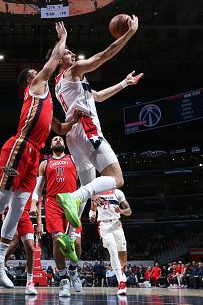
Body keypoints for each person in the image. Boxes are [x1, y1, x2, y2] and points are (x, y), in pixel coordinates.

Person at [0, 22, 79, 288]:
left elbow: (58, 127)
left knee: (18, 209)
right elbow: (54, 59)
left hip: (35, 153)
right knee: (0, 203)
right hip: (19, 147)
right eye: (38, 72)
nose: (42, 72)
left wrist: (75, 120)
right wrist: (64, 37)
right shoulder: (36, 85)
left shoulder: (48, 98)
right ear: (29, 79)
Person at [52, 15, 141, 248]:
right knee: (117, 179)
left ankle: (69, 236)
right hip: (87, 130)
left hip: (73, 136)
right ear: (61, 60)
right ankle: (73, 198)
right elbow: (104, 55)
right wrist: (129, 33)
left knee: (87, 186)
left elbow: (98, 96)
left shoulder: (62, 83)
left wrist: (124, 83)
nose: (73, 55)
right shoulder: (74, 71)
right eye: (68, 52)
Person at [31, 136, 83, 297]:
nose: (58, 140)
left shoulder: (74, 158)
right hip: (53, 203)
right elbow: (38, 188)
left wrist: (90, 196)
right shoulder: (45, 164)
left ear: (65, 144)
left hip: (72, 201)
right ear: (50, 145)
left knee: (76, 241)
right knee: (57, 240)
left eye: (60, 139)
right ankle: (64, 279)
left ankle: (73, 269)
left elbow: (85, 180)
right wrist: (34, 202)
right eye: (55, 139)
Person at [0, 196, 42, 295]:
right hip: (11, 212)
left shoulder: (38, 183)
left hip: (25, 216)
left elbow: (38, 204)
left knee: (31, 248)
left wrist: (39, 223)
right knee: (13, 243)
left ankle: (29, 283)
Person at [89, 189, 131, 296]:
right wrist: (92, 216)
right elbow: (92, 211)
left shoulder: (118, 192)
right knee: (112, 250)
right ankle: (121, 283)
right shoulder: (96, 193)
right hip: (103, 225)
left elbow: (129, 211)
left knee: (123, 258)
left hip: (117, 225)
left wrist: (121, 211)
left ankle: (120, 271)